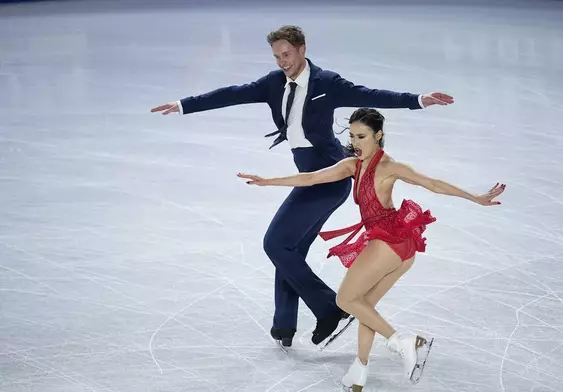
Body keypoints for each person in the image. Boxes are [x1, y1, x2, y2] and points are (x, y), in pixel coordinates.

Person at [151, 25, 455, 349]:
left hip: (328, 176)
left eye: (287, 54)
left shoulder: (327, 83)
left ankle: (329, 309)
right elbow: (233, 93)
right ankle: (284, 325)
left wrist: (418, 100)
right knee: (290, 249)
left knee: (275, 243)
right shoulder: (273, 83)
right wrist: (185, 104)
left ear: (302, 49)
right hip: (310, 174)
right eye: (277, 56)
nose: (282, 62)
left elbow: (371, 95)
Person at [237, 107, 506, 388]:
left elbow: (432, 183)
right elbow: (311, 178)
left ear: (378, 135)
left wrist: (475, 197)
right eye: (352, 136)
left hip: (389, 241)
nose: (355, 143)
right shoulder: (352, 165)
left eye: (362, 136)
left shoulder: (390, 166)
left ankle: (405, 341)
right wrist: (268, 181)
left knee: (345, 301)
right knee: (365, 306)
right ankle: (360, 369)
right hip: (400, 246)